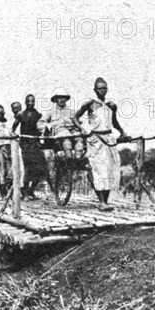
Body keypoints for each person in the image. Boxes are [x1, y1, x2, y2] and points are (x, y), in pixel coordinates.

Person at [73, 77, 129, 211]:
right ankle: (101, 201)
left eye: (104, 88)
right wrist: (82, 129)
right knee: (99, 170)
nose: (102, 91)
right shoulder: (90, 104)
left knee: (110, 170)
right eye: (99, 89)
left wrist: (122, 132)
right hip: (95, 140)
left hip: (109, 139)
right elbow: (75, 117)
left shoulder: (111, 105)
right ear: (95, 90)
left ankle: (106, 201)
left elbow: (114, 121)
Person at [12, 94, 49, 199]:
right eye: (28, 101)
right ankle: (25, 193)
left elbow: (41, 127)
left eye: (32, 101)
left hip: (35, 144)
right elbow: (14, 127)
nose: (30, 103)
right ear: (25, 102)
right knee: (28, 169)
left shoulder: (38, 114)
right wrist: (13, 134)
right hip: (25, 144)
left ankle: (32, 191)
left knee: (40, 168)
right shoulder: (20, 114)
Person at [41, 87, 84, 159]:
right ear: (55, 99)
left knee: (79, 140)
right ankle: (69, 159)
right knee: (66, 141)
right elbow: (41, 123)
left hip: (73, 133)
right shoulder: (51, 112)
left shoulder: (71, 112)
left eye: (64, 98)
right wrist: (48, 127)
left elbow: (79, 122)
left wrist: (81, 128)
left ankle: (78, 159)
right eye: (59, 98)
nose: (62, 100)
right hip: (60, 134)